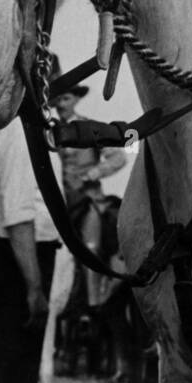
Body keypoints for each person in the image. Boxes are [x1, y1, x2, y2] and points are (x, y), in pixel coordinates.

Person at [0, 112, 62, 383]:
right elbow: (18, 214)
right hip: (22, 256)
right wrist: (34, 286)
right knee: (15, 372)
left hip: (10, 253)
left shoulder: (0, 123)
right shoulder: (18, 128)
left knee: (1, 366)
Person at [51, 84, 127, 310]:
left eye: (66, 99)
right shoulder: (49, 130)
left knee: (90, 248)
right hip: (60, 205)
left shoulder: (88, 127)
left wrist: (93, 173)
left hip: (88, 201)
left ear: (75, 99)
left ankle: (95, 304)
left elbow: (118, 157)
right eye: (58, 100)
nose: (61, 105)